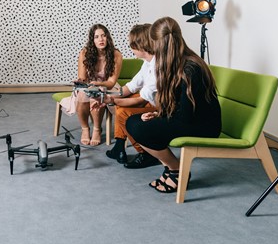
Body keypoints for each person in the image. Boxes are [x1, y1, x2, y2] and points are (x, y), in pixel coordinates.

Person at [125, 17, 221, 193]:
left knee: (139, 128)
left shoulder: (191, 68)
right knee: (134, 122)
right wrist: (157, 115)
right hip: (187, 118)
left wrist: (160, 117)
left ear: (158, 43)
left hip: (202, 126)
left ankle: (177, 170)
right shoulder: (175, 62)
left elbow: (186, 115)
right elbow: (179, 105)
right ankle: (172, 169)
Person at [92, 24, 160, 168]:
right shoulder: (147, 63)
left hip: (160, 108)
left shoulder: (157, 67)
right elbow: (130, 87)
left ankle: (146, 154)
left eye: (131, 45)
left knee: (123, 112)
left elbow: (140, 100)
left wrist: (111, 100)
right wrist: (109, 95)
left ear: (140, 45)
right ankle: (119, 147)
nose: (130, 48)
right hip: (151, 100)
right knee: (121, 104)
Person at [75, 24, 122, 146]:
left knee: (98, 93)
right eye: (96, 37)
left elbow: (111, 83)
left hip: (108, 85)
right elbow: (83, 77)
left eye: (103, 36)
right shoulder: (84, 53)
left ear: (108, 37)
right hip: (90, 84)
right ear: (92, 40)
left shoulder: (116, 54)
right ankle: (85, 128)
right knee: (82, 94)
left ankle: (97, 129)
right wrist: (81, 82)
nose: (101, 39)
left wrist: (98, 84)